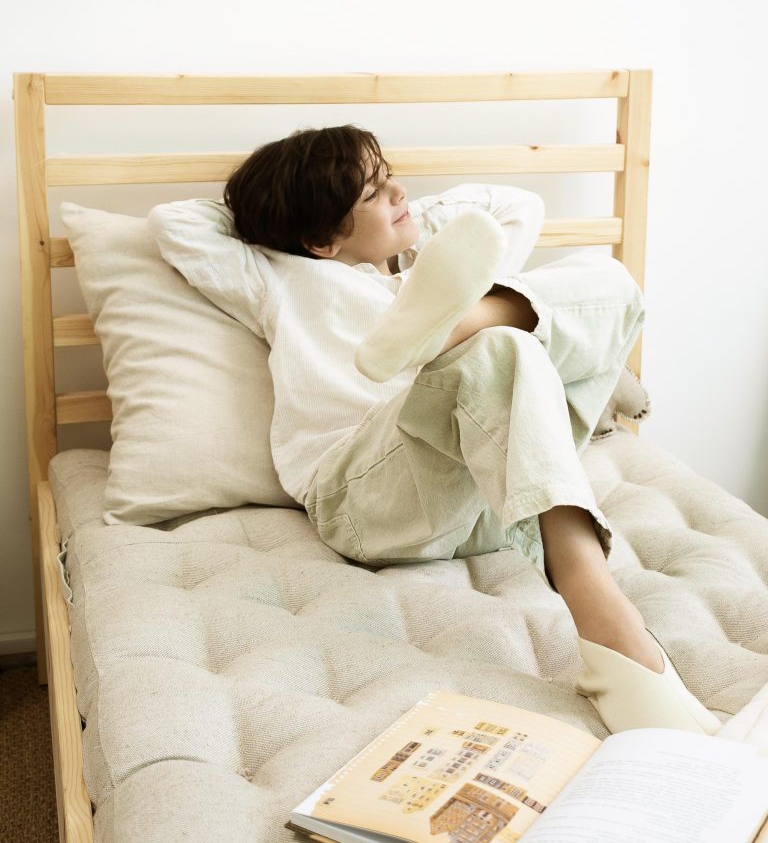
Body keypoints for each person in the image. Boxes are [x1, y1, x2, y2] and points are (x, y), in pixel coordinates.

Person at [147, 123, 719, 737]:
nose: (398, 190)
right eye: (372, 191)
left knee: (609, 283)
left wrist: (405, 225)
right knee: (504, 351)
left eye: (388, 176)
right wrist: (283, 219)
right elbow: (172, 222)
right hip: (364, 496)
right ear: (318, 238)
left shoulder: (433, 270)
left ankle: (447, 332)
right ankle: (601, 607)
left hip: (489, 504)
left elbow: (518, 208)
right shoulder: (275, 278)